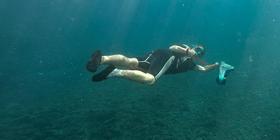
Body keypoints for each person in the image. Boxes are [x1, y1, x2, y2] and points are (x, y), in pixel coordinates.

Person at [85, 44, 219, 85]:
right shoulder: (186, 50)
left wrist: (214, 66)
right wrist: (188, 51)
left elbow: (203, 69)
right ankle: (114, 72)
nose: (198, 53)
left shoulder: (191, 64)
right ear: (194, 47)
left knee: (132, 62)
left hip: (156, 54)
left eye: (201, 54)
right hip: (167, 57)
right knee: (150, 80)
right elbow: (172, 47)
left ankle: (101, 59)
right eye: (198, 50)